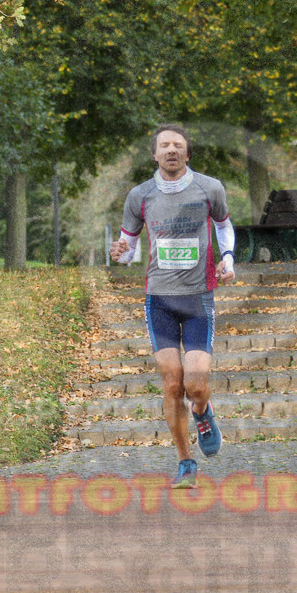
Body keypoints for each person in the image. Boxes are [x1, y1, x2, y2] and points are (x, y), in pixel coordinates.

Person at [110, 123, 236, 489]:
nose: (170, 150)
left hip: (198, 298)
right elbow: (128, 247)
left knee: (195, 385)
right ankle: (185, 462)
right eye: (164, 145)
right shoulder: (140, 195)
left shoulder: (209, 188)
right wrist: (120, 253)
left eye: (177, 145)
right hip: (159, 299)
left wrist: (228, 258)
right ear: (154, 154)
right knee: (171, 384)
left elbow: (225, 227)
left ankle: (202, 411)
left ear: (187, 153)